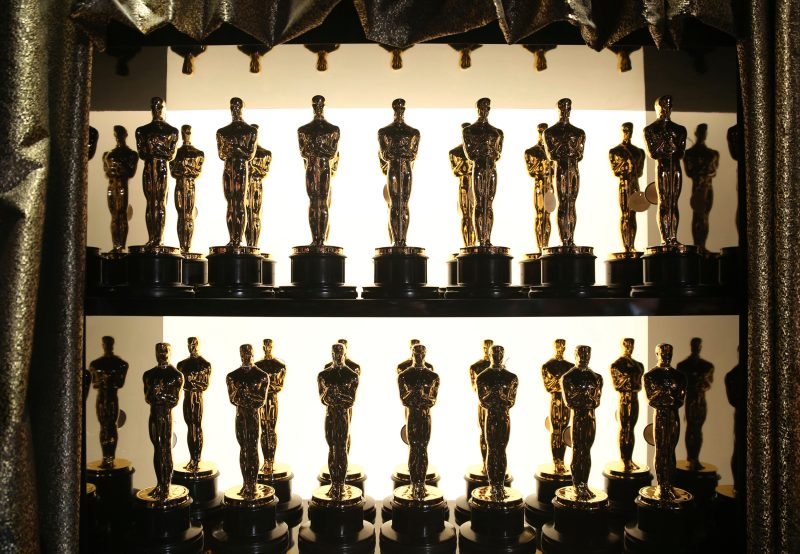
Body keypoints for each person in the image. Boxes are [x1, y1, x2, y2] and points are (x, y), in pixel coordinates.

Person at [226, 344, 270, 498]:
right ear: (240, 354)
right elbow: (233, 399)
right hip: (240, 416)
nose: (246, 355)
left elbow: (261, 400)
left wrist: (245, 396)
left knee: (252, 448)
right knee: (243, 448)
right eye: (243, 353)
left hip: (253, 416)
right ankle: (246, 483)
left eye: (249, 353)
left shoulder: (262, 376)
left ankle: (252, 484)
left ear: (253, 354)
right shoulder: (232, 376)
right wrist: (247, 396)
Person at [644, 343, 687, 500]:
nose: (666, 355)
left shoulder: (679, 376)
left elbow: (680, 400)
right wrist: (668, 397)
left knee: (671, 450)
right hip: (660, 416)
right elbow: (651, 399)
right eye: (663, 352)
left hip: (673, 416)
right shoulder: (650, 376)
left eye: (669, 352)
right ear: (657, 354)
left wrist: (663, 396)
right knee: (661, 450)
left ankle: (669, 485)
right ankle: (661, 485)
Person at [644, 95, 688, 246]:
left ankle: (673, 236)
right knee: (664, 202)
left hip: (675, 167)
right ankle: (665, 238)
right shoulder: (650, 129)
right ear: (657, 107)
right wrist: (665, 143)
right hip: (662, 166)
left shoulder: (679, 129)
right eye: (663, 106)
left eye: (668, 105)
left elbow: (681, 152)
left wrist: (671, 146)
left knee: (673, 202)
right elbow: (653, 153)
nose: (665, 109)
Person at [136, 96, 179, 249]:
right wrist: (158, 149)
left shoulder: (172, 131)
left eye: (160, 106)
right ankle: (152, 238)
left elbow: (170, 155)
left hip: (161, 168)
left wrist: (154, 148)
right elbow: (142, 153)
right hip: (149, 168)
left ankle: (158, 239)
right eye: (154, 106)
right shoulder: (141, 131)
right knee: (150, 203)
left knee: (160, 203)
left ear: (164, 108)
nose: (157, 109)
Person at [317, 343, 359, 499]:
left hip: (342, 415)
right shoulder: (323, 375)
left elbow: (350, 400)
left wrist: (335, 395)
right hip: (330, 414)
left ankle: (340, 484)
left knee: (341, 448)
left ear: (344, 354)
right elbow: (323, 399)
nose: (338, 356)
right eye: (335, 353)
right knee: (331, 448)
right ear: (332, 354)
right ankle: (334, 484)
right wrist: (335, 395)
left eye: (340, 353)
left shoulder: (352, 375)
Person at [476, 345, 518, 501]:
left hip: (503, 417)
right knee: (492, 450)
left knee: (501, 450)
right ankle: (493, 484)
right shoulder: (482, 377)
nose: (498, 355)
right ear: (490, 354)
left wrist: (497, 396)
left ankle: (499, 485)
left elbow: (510, 402)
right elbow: (483, 402)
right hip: (491, 417)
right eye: (495, 353)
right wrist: (498, 396)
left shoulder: (511, 377)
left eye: (500, 353)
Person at [398, 344, 440, 499]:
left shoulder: (433, 376)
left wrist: (419, 396)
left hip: (424, 416)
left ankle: (420, 483)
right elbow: (404, 399)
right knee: (414, 448)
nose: (419, 356)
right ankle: (415, 483)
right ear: (412, 354)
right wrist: (416, 395)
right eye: (416, 353)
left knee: (422, 449)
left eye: (421, 353)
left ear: (425, 354)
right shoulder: (404, 375)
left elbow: (432, 401)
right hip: (413, 415)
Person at [561, 345, 603, 501]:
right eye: (581, 353)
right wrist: (587, 398)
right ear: (575, 355)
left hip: (591, 418)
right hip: (578, 418)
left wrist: (583, 397)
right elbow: (570, 402)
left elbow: (596, 401)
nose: (584, 356)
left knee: (587, 451)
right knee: (578, 451)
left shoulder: (597, 377)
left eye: (587, 353)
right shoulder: (568, 377)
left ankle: (584, 484)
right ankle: (577, 485)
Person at [298, 95, 340, 246]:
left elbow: (332, 153)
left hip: (323, 166)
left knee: (322, 201)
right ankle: (316, 238)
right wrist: (321, 149)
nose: (318, 107)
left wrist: (315, 148)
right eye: (316, 105)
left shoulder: (333, 129)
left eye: (320, 105)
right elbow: (304, 152)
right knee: (313, 201)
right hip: (311, 167)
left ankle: (321, 238)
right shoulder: (303, 130)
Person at [143, 343, 183, 500]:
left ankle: (166, 485)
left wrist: (159, 395)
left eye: (165, 351)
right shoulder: (149, 375)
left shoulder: (176, 375)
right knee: (157, 448)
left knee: (165, 449)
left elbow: (174, 400)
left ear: (170, 352)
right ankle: (160, 484)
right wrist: (159, 395)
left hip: (166, 415)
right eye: (159, 351)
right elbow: (148, 398)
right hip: (153, 415)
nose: (162, 354)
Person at [544, 98, 586, 248]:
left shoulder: (579, 132)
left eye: (568, 108)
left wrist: (566, 149)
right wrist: (566, 148)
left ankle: (570, 238)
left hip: (573, 169)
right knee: (563, 203)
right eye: (563, 108)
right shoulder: (550, 132)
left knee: (571, 203)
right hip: (561, 169)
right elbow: (551, 155)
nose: (565, 111)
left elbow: (580, 155)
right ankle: (564, 239)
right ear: (559, 109)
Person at [378, 99, 420, 247]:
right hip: (394, 167)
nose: (399, 111)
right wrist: (402, 151)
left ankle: (402, 239)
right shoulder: (384, 131)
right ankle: (397, 239)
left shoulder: (413, 132)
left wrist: (397, 151)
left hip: (406, 168)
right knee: (395, 203)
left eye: (401, 108)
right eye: (397, 108)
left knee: (404, 203)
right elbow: (385, 154)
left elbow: (413, 154)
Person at [217, 97, 258, 247]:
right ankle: (232, 239)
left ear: (242, 108)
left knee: (239, 202)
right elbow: (221, 154)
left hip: (240, 167)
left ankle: (238, 239)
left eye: (237, 106)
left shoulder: (250, 131)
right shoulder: (222, 132)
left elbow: (249, 154)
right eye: (232, 106)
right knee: (230, 203)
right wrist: (238, 149)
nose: (234, 109)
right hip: (228, 168)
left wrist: (235, 149)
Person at [463, 98, 504, 247]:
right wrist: (484, 149)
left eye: (486, 107)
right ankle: (481, 239)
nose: (484, 110)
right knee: (480, 202)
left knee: (489, 202)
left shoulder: (497, 132)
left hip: (491, 167)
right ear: (478, 109)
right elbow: (470, 154)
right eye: (481, 107)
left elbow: (498, 154)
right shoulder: (469, 130)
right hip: (479, 166)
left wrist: (489, 151)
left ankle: (487, 238)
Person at [89, 336, 129, 468]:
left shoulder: (120, 364)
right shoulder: (96, 365)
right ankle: (106, 457)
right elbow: (95, 383)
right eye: (106, 344)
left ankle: (110, 457)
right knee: (104, 427)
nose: (107, 346)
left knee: (110, 426)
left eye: (109, 344)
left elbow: (120, 383)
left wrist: (106, 380)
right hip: (102, 398)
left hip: (112, 397)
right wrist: (105, 380)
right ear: (103, 345)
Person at [676, 337, 714, 470]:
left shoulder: (707, 366)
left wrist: (700, 385)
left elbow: (708, 384)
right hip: (691, 399)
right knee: (691, 428)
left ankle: (695, 458)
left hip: (700, 400)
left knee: (697, 429)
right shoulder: (683, 365)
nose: (697, 348)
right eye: (695, 345)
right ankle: (691, 458)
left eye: (698, 345)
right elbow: (682, 385)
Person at [176, 337, 211, 472]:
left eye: (194, 344)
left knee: (196, 427)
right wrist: (192, 383)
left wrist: (191, 382)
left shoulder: (204, 365)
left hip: (197, 399)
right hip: (187, 399)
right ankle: (192, 458)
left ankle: (196, 458)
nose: (192, 347)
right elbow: (180, 385)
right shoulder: (181, 365)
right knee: (190, 428)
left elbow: (204, 385)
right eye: (190, 344)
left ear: (198, 345)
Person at [608, 122, 645, 252]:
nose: (627, 133)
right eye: (625, 130)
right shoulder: (615, 151)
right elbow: (615, 171)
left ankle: (631, 245)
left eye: (629, 130)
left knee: (632, 215)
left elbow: (639, 172)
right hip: (624, 184)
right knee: (625, 214)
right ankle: (626, 246)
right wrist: (627, 166)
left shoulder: (639, 152)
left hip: (634, 184)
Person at [684, 124, 720, 253]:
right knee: (698, 214)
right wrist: (702, 173)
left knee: (705, 215)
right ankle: (698, 245)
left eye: (704, 132)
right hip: (698, 187)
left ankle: (702, 245)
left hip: (707, 187)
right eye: (701, 132)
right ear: (696, 133)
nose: (702, 135)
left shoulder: (712, 154)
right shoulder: (689, 153)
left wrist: (704, 174)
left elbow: (714, 172)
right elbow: (689, 172)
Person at [610, 338, 645, 472]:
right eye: (627, 345)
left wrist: (629, 382)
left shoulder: (639, 365)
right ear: (623, 346)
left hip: (634, 399)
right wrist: (630, 381)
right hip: (624, 399)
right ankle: (625, 459)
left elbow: (639, 384)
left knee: (631, 429)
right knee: (625, 429)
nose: (629, 348)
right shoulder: (617, 365)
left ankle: (628, 459)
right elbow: (618, 385)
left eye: (631, 345)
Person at [103, 125, 138, 253]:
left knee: (121, 214)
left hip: (122, 184)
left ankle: (121, 245)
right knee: (114, 215)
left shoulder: (131, 154)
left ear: (124, 135)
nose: (117, 137)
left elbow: (130, 172)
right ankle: (116, 245)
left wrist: (117, 169)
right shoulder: (108, 154)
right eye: (116, 134)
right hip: (112, 186)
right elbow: (107, 172)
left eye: (119, 134)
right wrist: (116, 170)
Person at [170, 125, 204, 255]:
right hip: (179, 185)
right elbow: (173, 171)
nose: (186, 134)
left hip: (190, 186)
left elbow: (196, 171)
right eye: (185, 132)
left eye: (188, 132)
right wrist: (188, 169)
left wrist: (184, 170)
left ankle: (187, 246)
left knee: (188, 215)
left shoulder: (198, 153)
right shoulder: (175, 153)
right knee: (181, 215)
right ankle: (182, 246)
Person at [255, 339, 286, 475]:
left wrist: (265, 388)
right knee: (263, 429)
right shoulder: (257, 366)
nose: (267, 348)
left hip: (272, 400)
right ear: (263, 347)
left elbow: (279, 386)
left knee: (271, 429)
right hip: (261, 401)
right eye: (265, 346)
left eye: (269, 346)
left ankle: (271, 459)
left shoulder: (279, 366)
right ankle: (265, 460)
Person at [542, 339, 573, 473]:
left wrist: (557, 382)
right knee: (555, 430)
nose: (560, 348)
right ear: (554, 346)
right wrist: (561, 383)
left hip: (566, 402)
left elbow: (570, 387)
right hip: (555, 401)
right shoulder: (548, 366)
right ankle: (556, 461)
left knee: (564, 430)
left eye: (562, 346)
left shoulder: (570, 366)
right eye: (558, 345)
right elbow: (549, 386)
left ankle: (562, 460)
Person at [525, 123, 554, 252]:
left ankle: (545, 245)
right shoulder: (531, 152)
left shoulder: (552, 152)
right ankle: (540, 247)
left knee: (547, 216)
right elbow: (531, 171)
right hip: (539, 185)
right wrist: (541, 166)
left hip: (549, 186)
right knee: (540, 215)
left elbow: (554, 171)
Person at [449, 123, 476, 247]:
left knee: (475, 214)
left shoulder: (475, 151)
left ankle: (473, 244)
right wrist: (464, 164)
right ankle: (467, 244)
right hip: (463, 186)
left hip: (474, 185)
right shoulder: (455, 152)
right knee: (465, 216)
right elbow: (455, 172)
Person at [246, 124, 272, 248]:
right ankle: (249, 244)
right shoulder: (246, 153)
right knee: (246, 214)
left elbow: (264, 171)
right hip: (246, 185)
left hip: (256, 184)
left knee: (255, 214)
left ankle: (253, 244)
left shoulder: (264, 153)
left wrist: (252, 168)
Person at [470, 339, 493, 469]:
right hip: (482, 403)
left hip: (496, 406)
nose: (487, 350)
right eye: (486, 347)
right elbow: (475, 388)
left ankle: (492, 465)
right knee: (483, 433)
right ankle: (485, 462)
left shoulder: (500, 368)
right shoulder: (476, 367)